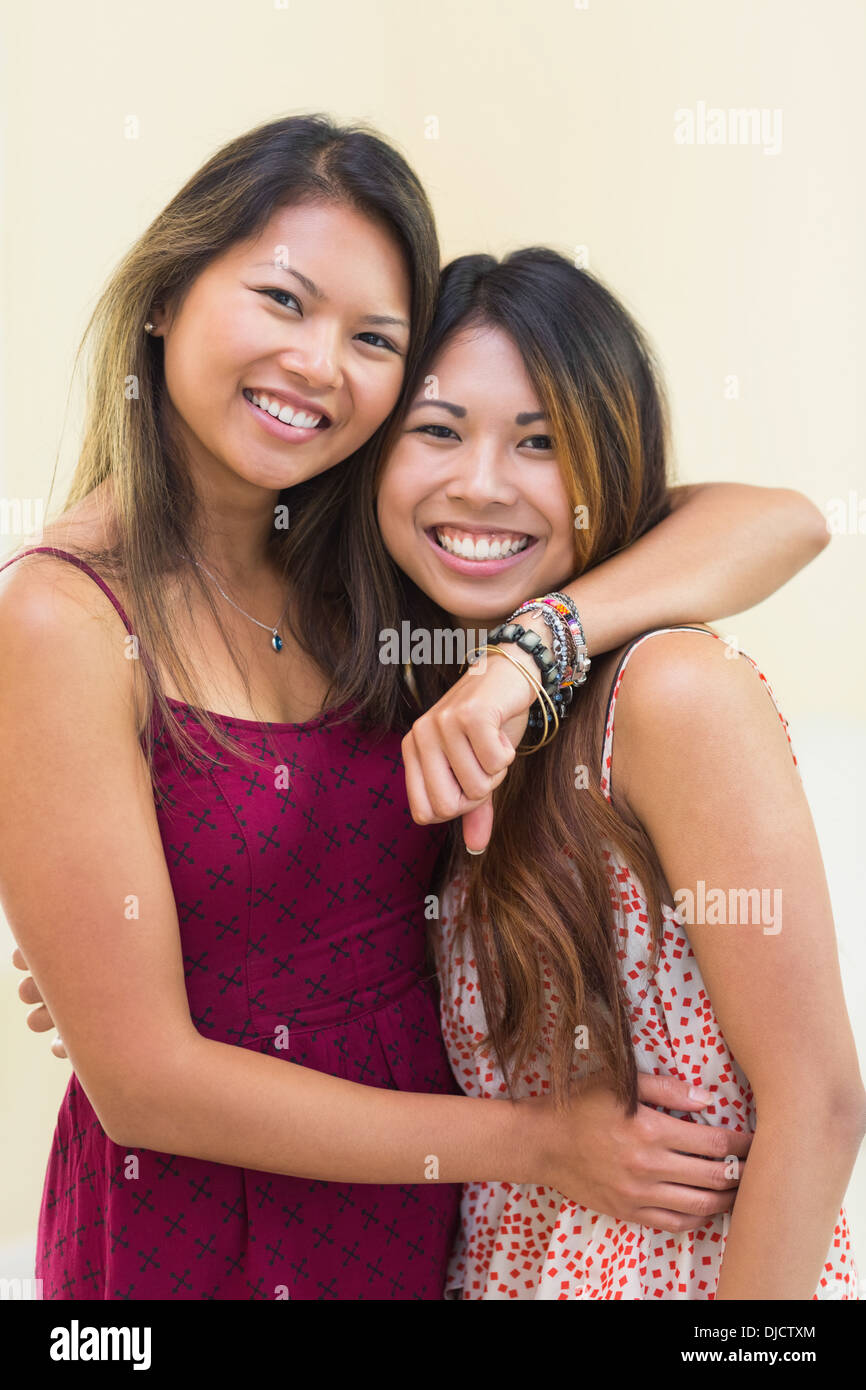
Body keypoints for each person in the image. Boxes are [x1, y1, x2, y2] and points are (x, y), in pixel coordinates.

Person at [2, 114, 832, 1301]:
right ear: (164, 296)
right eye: (282, 302)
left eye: (373, 338)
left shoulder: (375, 572)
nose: (320, 365)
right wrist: (540, 1143)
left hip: (424, 1232)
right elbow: (142, 1077)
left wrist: (526, 654)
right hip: (203, 1227)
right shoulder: (62, 614)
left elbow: (775, 519)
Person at [368, 247, 865, 1299]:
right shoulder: (431, 709)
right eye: (437, 429)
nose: (481, 482)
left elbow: (818, 1104)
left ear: (606, 461)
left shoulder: (668, 692)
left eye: (540, 441)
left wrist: (531, 646)